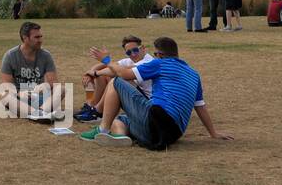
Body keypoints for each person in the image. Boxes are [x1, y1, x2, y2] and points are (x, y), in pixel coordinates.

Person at [89, 35, 232, 148]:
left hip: (156, 121)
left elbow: (124, 75)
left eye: (155, 53)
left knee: (116, 82)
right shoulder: (194, 74)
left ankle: (103, 130)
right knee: (120, 119)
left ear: (160, 54)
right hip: (172, 136)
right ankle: (120, 137)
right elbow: (200, 106)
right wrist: (213, 133)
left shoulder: (159, 64)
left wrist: (107, 60)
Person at [75, 36, 152, 123]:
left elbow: (121, 72)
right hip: (138, 98)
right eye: (129, 52)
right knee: (103, 75)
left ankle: (98, 111)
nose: (133, 54)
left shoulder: (148, 62)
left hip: (147, 105)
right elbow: (107, 67)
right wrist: (90, 73)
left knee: (118, 79)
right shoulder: (130, 60)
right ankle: (92, 108)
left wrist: (96, 72)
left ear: (143, 48)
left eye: (135, 50)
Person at [0, 21, 61, 118]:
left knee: (62, 89)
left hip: (39, 97)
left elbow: (54, 82)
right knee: (4, 96)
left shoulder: (46, 55)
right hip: (19, 99)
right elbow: (8, 86)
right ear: (25, 38)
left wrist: (46, 85)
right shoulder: (10, 56)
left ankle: (40, 113)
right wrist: (19, 93)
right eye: (36, 37)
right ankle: (39, 114)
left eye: (40, 36)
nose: (40, 40)